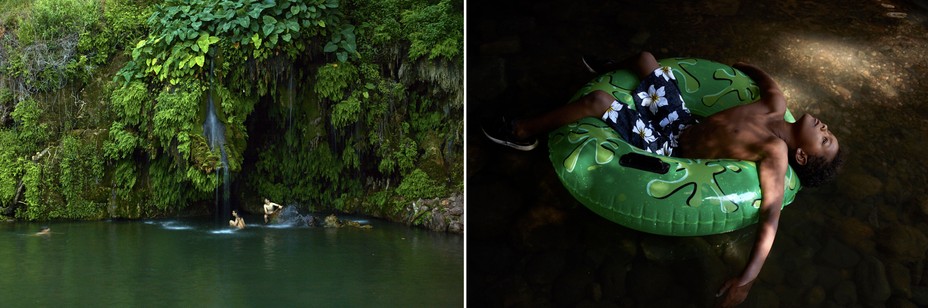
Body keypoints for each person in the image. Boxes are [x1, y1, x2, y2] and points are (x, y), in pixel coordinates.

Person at [482, 51, 845, 307]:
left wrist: (746, 280)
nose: (825, 128)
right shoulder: (775, 106)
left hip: (669, 152)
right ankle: (613, 68)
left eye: (825, 140)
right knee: (644, 58)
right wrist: (748, 67)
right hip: (681, 123)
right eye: (830, 132)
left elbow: (770, 216)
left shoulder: (775, 153)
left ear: (801, 155)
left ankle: (523, 131)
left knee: (598, 100)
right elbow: (767, 83)